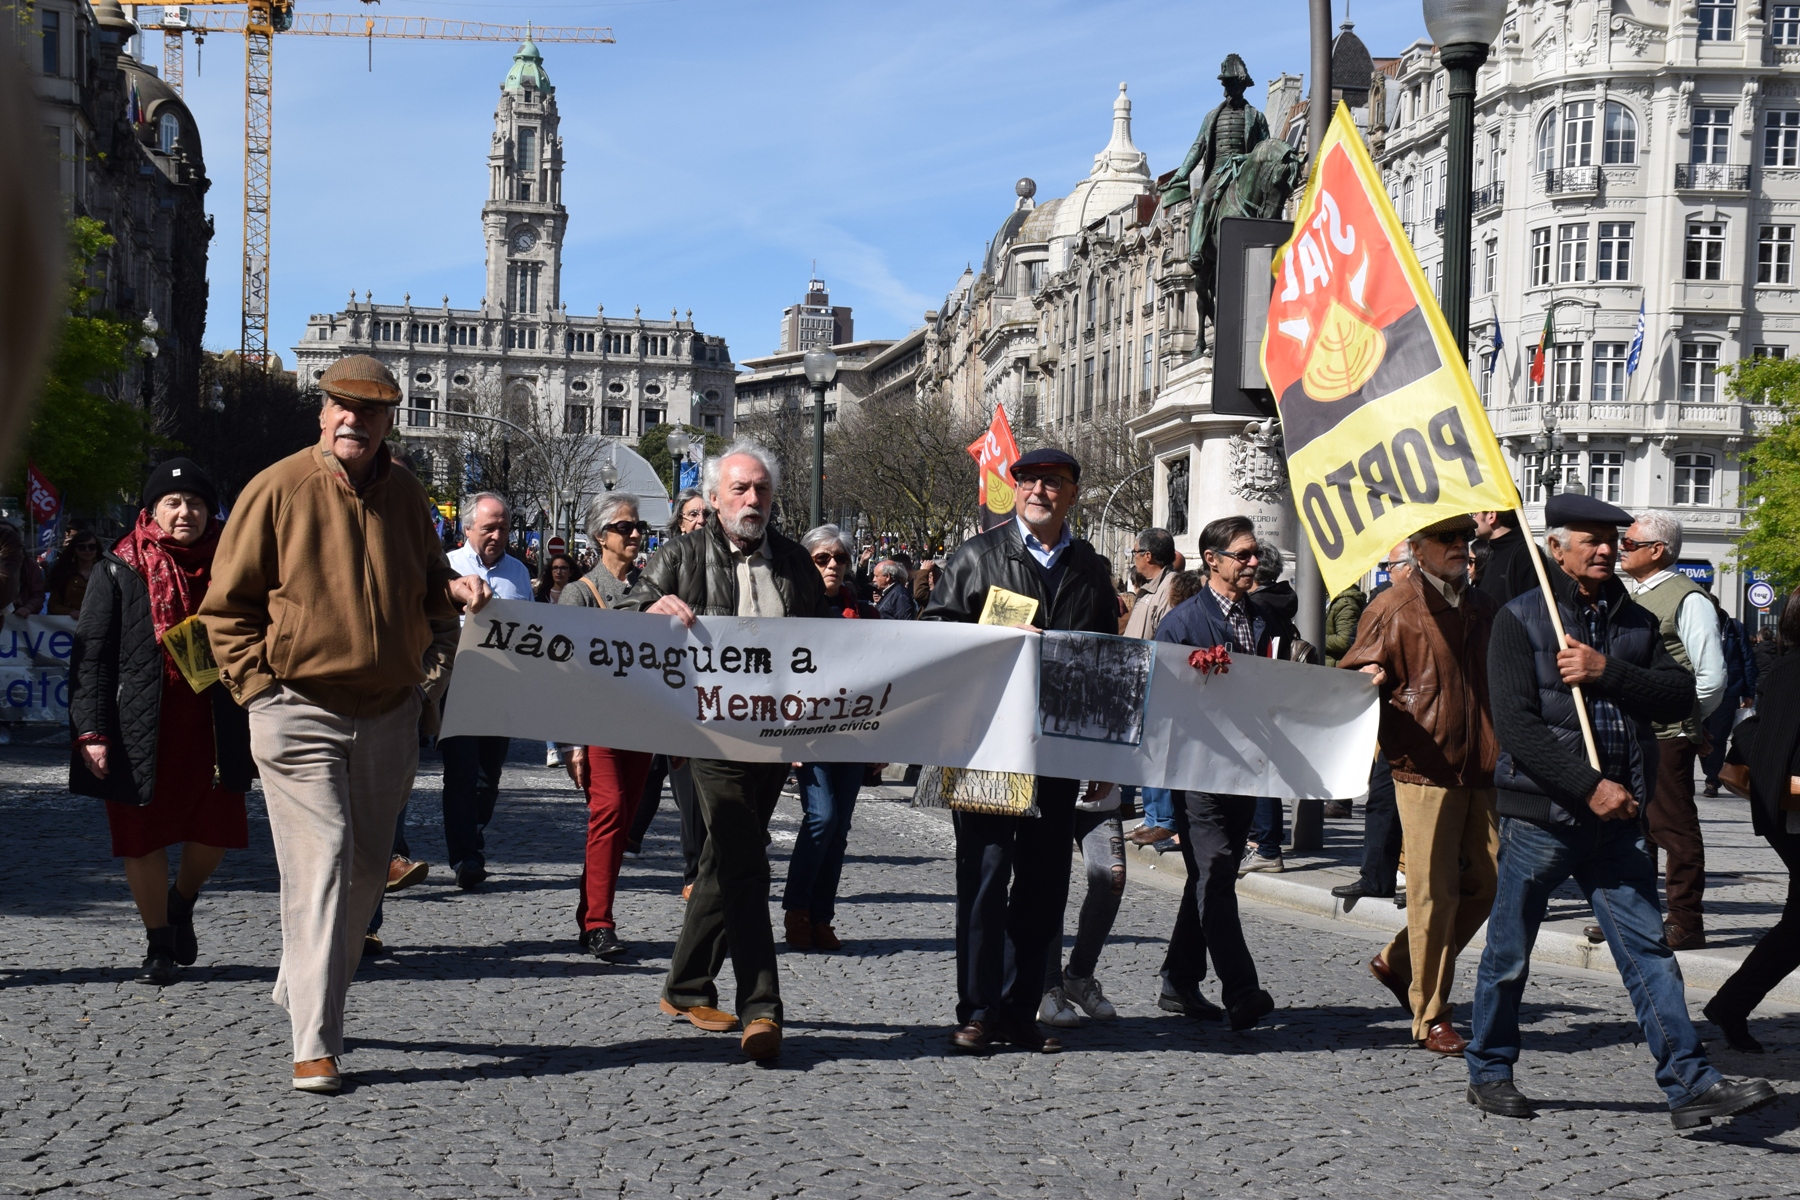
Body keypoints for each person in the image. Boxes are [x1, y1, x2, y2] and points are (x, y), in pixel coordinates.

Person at [199, 355, 491, 1093]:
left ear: (390, 420)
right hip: (297, 709)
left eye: (371, 410)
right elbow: (223, 611)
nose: (354, 420)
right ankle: (316, 1042)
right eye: (342, 407)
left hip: (388, 713)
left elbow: (428, 586)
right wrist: (258, 692)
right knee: (323, 859)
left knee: (366, 873)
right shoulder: (277, 488)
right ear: (322, 413)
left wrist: (436, 651)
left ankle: (301, 985)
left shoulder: (407, 493)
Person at [1464, 491, 1773, 1128]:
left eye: (1613, 539)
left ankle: (1690, 1084)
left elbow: (1679, 694)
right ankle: (1489, 1069)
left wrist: (1605, 670)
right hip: (1542, 819)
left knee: (1648, 952)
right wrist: (1588, 786)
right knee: (1510, 951)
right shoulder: (1520, 618)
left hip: (1619, 818)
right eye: (1592, 539)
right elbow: (1517, 728)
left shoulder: (1633, 619)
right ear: (1557, 549)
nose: (1606, 549)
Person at [616, 443, 829, 1061]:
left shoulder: (794, 562)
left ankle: (685, 985)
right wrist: (650, 607)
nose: (752, 500)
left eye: (761, 489)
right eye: (739, 489)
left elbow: (824, 647)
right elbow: (624, 613)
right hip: (705, 734)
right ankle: (762, 1008)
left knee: (723, 857)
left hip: (774, 735)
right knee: (745, 860)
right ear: (713, 499)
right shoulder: (680, 555)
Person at [922, 447, 1119, 1054]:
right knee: (984, 878)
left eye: (1052, 482)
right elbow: (931, 634)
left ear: (1072, 493)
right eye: (1028, 480)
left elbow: (1108, 665)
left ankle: (1019, 1011)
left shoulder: (1091, 567)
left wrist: (1102, 759)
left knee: (1043, 885)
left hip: (1056, 749)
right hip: (986, 744)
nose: (1038, 491)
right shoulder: (977, 556)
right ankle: (978, 1012)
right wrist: (993, 635)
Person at [69, 460, 252, 986]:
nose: (184, 512)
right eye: (172, 502)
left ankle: (181, 900)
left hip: (215, 725)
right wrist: (91, 731)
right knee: (141, 838)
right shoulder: (118, 566)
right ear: (151, 511)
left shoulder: (236, 562)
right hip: (139, 729)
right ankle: (158, 944)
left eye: (195, 502)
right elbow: (92, 655)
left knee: (215, 832)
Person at [1339, 515, 1498, 1055]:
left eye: (1463, 539)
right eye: (1445, 539)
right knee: (1433, 893)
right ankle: (1431, 1014)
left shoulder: (1482, 606)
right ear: (1418, 548)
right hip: (1423, 763)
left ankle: (1400, 960)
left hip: (1480, 763)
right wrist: (1368, 679)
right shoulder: (1392, 606)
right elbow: (1355, 672)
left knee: (1488, 883)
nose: (1458, 547)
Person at [1151, 516, 1279, 1031]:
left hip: (1246, 768)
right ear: (1212, 560)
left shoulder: (1262, 617)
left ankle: (1179, 979)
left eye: (1255, 553)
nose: (1254, 562)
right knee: (1217, 868)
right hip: (1196, 770)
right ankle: (1241, 990)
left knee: (1210, 875)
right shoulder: (1182, 624)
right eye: (1243, 554)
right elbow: (1160, 697)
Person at [1619, 511, 1725, 950]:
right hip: (1634, 729)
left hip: (1666, 732)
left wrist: (1688, 719)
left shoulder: (1688, 598)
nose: (1620, 549)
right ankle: (1638, 917)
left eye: (1629, 543)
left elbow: (1711, 675)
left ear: (1657, 550)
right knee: (1635, 827)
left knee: (1673, 828)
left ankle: (1686, 920)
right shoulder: (1634, 594)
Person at [558, 492, 652, 960]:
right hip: (597, 727)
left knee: (620, 824)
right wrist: (571, 743)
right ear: (600, 536)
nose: (634, 534)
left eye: (638, 527)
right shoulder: (579, 594)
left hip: (643, 724)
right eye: (624, 527)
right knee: (609, 814)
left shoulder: (652, 590)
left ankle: (590, 914)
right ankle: (599, 923)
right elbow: (564, 675)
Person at [1708, 591, 1800, 1053]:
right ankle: (1731, 1005)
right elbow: (1769, 740)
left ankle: (1731, 1005)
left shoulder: (1784, 669)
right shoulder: (1790, 672)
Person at [784, 524, 877, 953]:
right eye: (822, 558)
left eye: (840, 557)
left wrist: (883, 739)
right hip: (807, 734)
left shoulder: (866, 614)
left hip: (854, 734)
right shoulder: (792, 609)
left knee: (839, 829)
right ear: (807, 563)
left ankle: (822, 916)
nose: (833, 565)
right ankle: (797, 910)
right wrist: (784, 736)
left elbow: (883, 676)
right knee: (821, 817)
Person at [439, 493, 534, 891]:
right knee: (461, 771)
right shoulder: (447, 567)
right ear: (467, 528)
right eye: (489, 528)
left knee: (488, 777)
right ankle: (464, 856)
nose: (497, 535)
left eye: (503, 528)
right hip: (457, 684)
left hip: (502, 688)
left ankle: (473, 832)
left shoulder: (519, 573)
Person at [623, 486, 712, 881]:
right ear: (680, 522)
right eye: (694, 514)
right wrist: (651, 607)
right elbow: (635, 606)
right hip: (670, 682)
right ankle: (635, 836)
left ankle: (695, 867)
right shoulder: (671, 557)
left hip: (717, 685)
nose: (701, 521)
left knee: (684, 778)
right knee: (663, 770)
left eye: (707, 514)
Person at [1039, 780, 1127, 1028]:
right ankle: (1047, 986)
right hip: (1050, 792)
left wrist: (1111, 774)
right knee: (1049, 882)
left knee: (1113, 878)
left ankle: (1078, 975)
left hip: (1102, 801)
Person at [1124, 528, 1179, 847]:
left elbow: (1168, 640)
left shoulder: (1170, 589)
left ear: (1148, 555)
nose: (1133, 558)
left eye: (1135, 552)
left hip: (1156, 681)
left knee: (1159, 753)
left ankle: (1165, 819)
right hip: (1138, 679)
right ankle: (1152, 817)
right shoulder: (1149, 588)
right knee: (1145, 753)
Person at [1701, 593, 1757, 797]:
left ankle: (1712, 780)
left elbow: (1747, 659)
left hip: (1729, 690)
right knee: (1699, 735)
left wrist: (1748, 692)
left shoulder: (1734, 627)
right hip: (1700, 689)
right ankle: (1708, 770)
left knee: (1718, 737)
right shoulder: (1696, 624)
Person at [1473, 509, 1541, 606]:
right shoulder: (1493, 552)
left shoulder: (1525, 553)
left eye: (1475, 513)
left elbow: (1530, 608)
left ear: (1491, 516)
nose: (1473, 518)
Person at [46, 529, 102, 616]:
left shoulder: (107, 573)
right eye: (82, 547)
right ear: (74, 549)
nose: (87, 550)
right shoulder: (63, 573)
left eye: (92, 547)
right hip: (70, 622)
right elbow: (53, 604)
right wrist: (70, 612)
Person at [1323, 582, 1366, 670]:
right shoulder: (1332, 598)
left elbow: (1344, 641)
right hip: (1328, 664)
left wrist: (1317, 639)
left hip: (1336, 667)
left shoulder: (1345, 603)